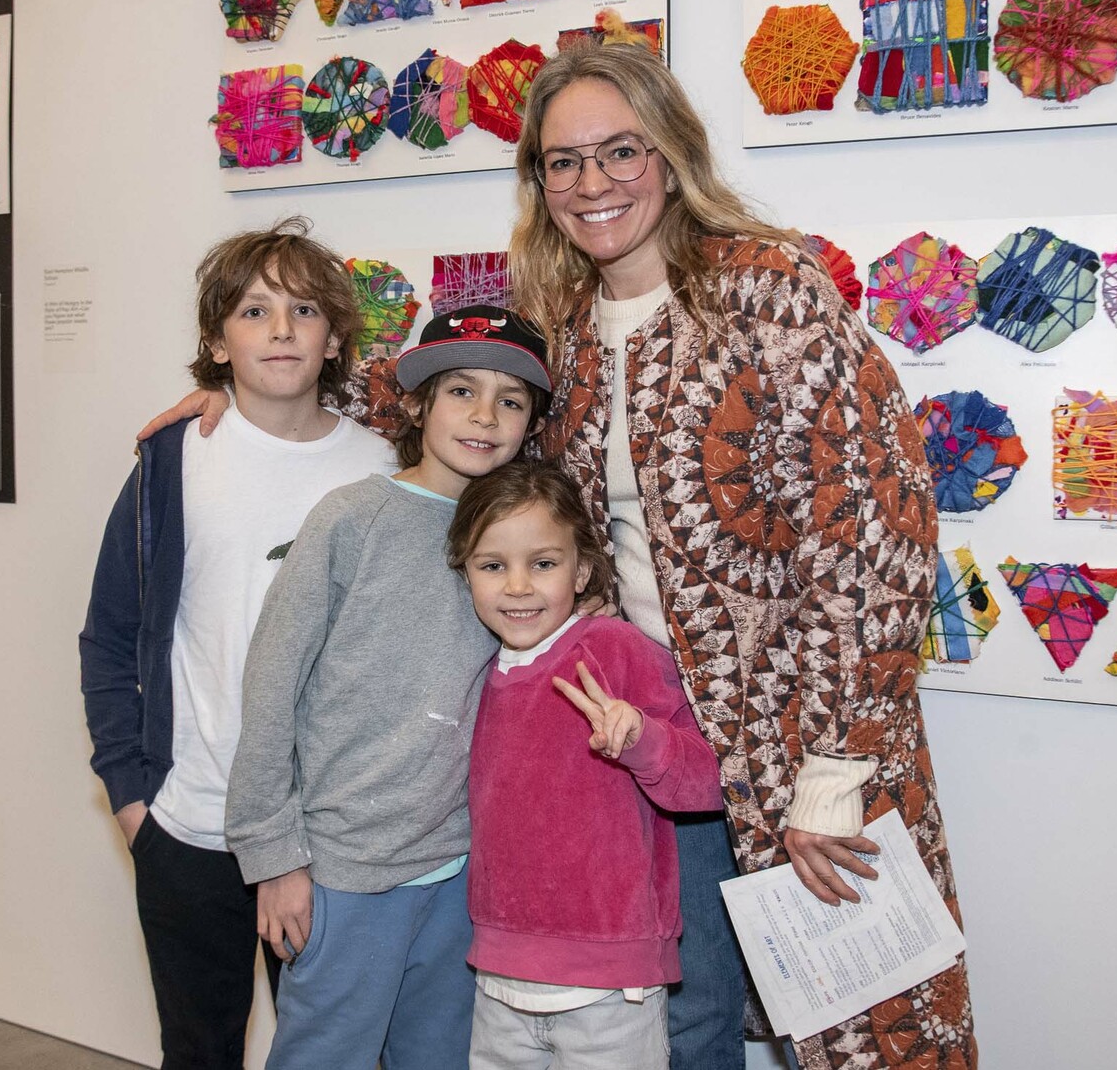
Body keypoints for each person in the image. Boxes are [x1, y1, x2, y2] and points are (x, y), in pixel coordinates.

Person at [141, 44, 977, 1070]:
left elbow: (875, 526)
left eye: (619, 151)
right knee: (690, 1011)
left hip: (780, 742)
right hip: (635, 733)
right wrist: (264, 387)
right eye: (562, 162)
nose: (592, 184)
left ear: (670, 157)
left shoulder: (769, 292)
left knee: (846, 1019)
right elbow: (460, 398)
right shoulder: (571, 324)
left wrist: (834, 768)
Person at [78, 217, 395, 1069]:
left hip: (328, 833)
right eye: (254, 312)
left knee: (332, 1053)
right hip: (189, 825)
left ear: (335, 339)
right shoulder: (173, 461)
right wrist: (131, 792)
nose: (282, 329)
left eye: (303, 309)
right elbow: (110, 632)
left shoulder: (385, 469)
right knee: (199, 1049)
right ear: (217, 342)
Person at [222, 310, 552, 1070]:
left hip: (459, 867)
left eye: (510, 400)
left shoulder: (518, 538)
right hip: (345, 870)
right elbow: (271, 688)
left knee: (438, 1056)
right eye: (461, 390)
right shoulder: (352, 519)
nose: (483, 414)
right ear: (417, 405)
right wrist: (273, 858)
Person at [448, 459, 723, 1070]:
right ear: (465, 572)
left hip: (611, 989)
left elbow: (709, 782)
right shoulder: (477, 668)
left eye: (542, 563)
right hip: (498, 979)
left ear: (583, 570)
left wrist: (643, 740)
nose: (518, 587)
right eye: (494, 567)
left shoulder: (615, 649)